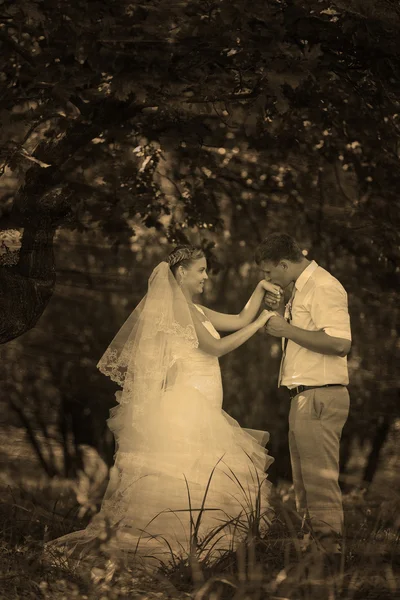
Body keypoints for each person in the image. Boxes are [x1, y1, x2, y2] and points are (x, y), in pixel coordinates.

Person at [47, 245, 279, 572]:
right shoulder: (179, 309)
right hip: (188, 404)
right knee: (186, 473)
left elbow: (239, 318)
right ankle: (178, 550)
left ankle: (196, 548)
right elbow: (216, 346)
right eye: (200, 270)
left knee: (199, 473)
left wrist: (259, 290)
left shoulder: (195, 310)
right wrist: (261, 325)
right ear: (182, 273)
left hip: (205, 403)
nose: (205, 276)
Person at [255, 233, 352, 554]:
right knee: (305, 480)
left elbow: (340, 344)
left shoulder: (324, 286)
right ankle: (313, 548)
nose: (267, 278)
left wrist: (287, 330)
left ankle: (331, 552)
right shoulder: (301, 289)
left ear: (284, 264)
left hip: (321, 394)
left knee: (319, 480)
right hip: (303, 395)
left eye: (269, 272)